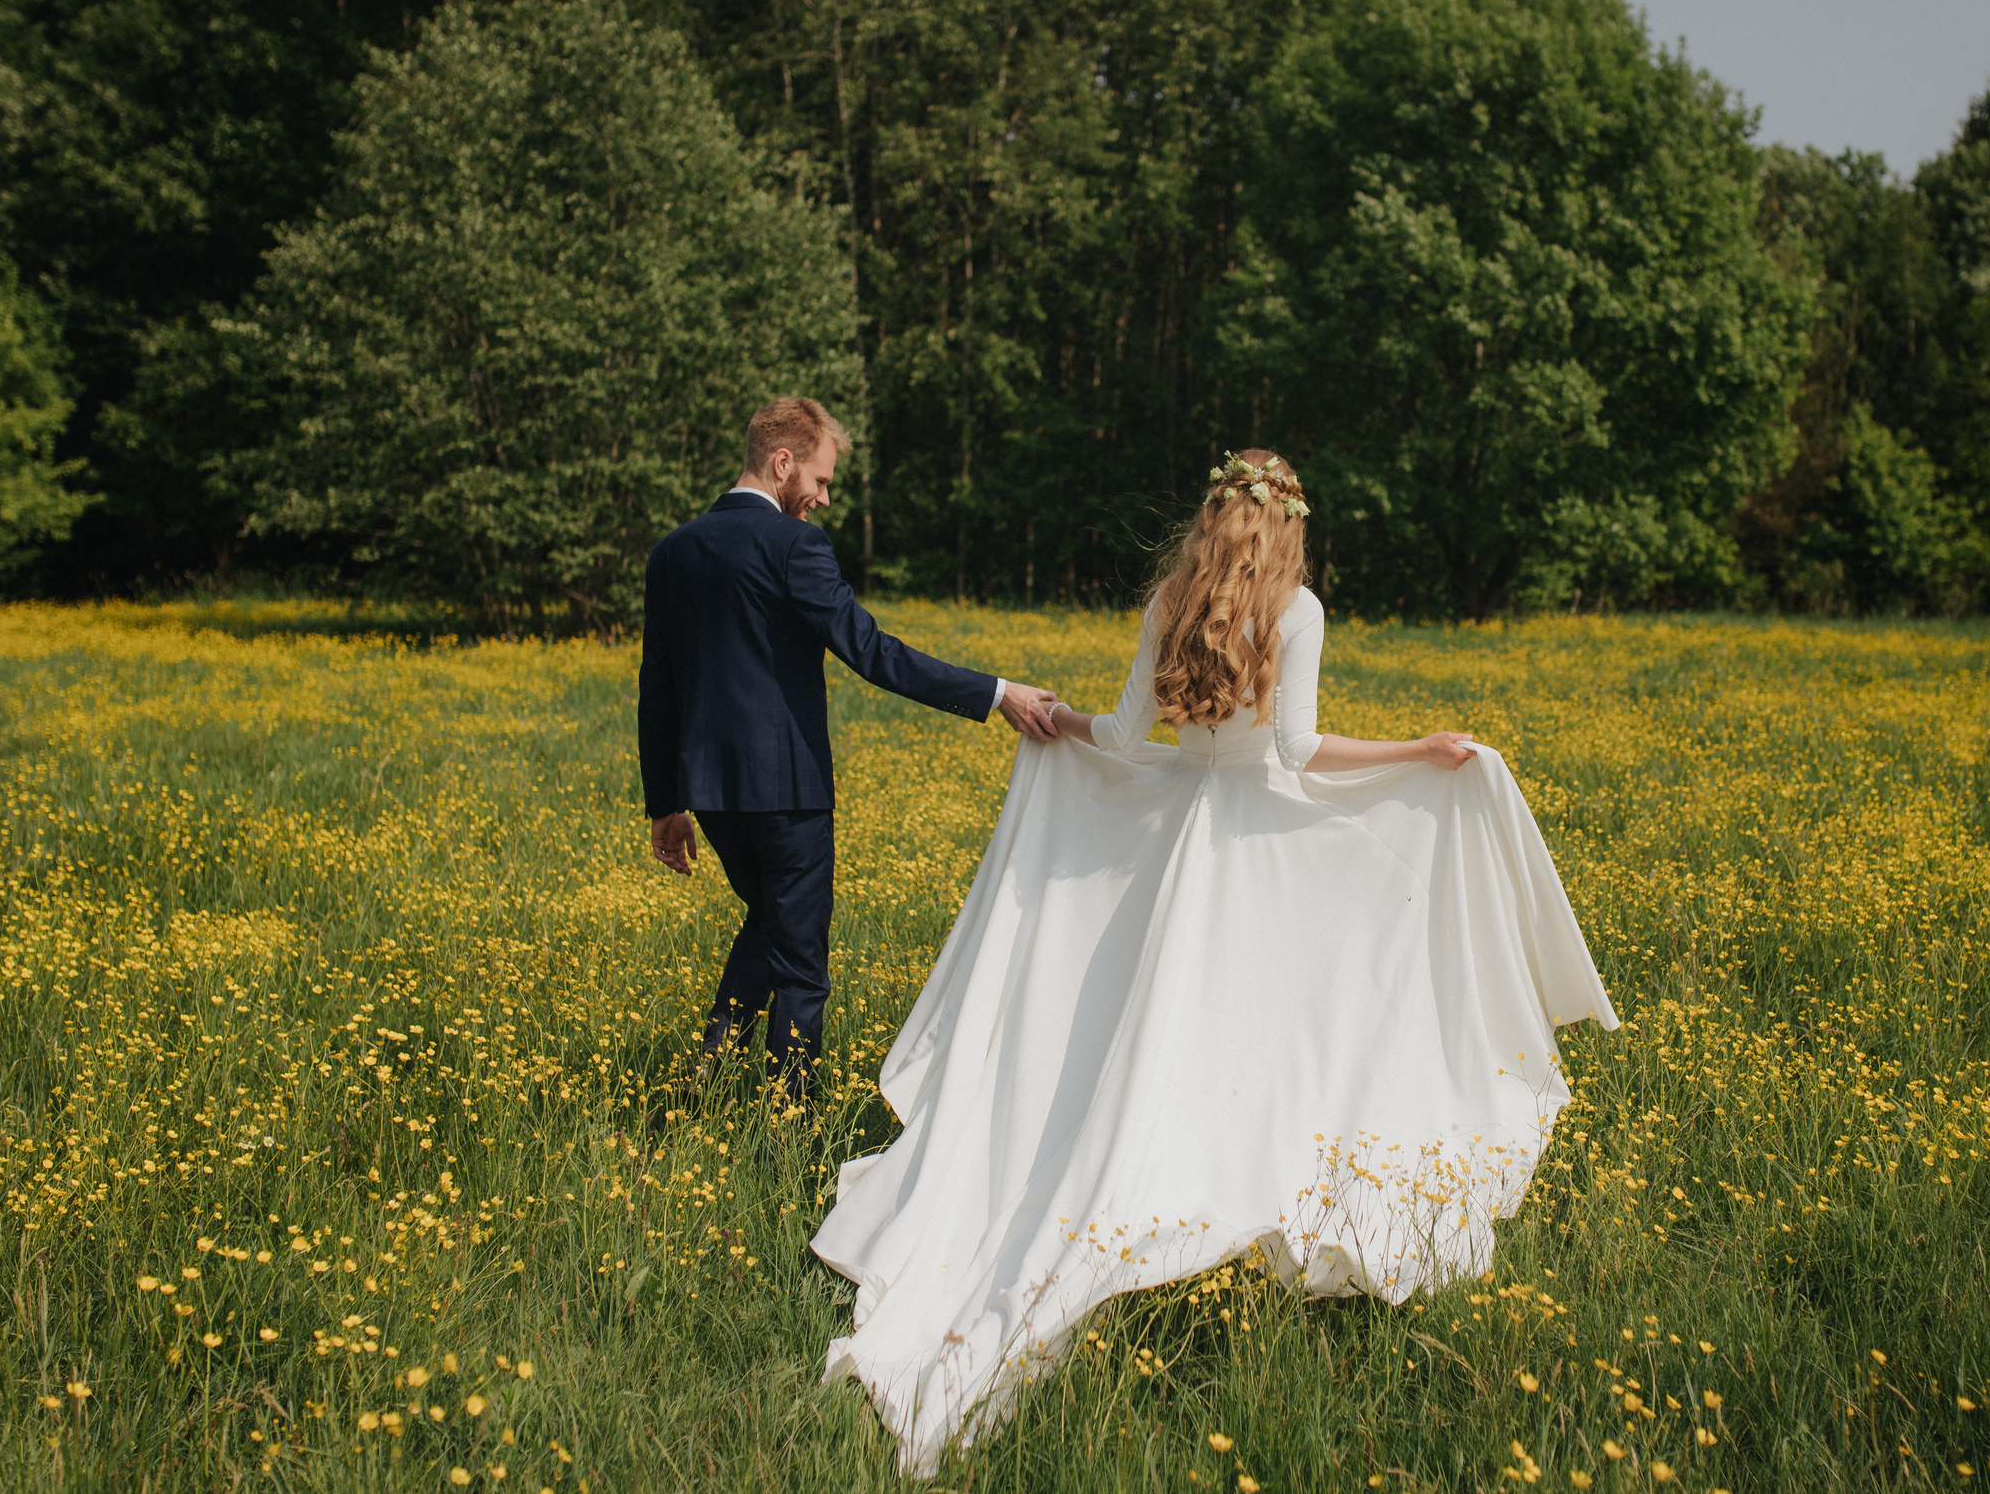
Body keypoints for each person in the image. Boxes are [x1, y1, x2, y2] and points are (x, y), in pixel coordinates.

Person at [810, 449, 1621, 1475]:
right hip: (1252, 846)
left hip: (1171, 836)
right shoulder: (1297, 610)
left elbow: (1119, 730)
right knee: (1267, 1033)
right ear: (1287, 526)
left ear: (1209, 518)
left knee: (1150, 1024)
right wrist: (1416, 751)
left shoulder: (1168, 599)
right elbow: (1293, 752)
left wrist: (1056, 724)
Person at [638, 396, 1064, 1102]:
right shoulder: (793, 545)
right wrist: (997, 693)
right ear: (782, 464)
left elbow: (658, 684)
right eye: (821, 479)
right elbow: (870, 651)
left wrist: (667, 802)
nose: (825, 498)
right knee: (802, 964)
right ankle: (789, 1130)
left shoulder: (673, 552)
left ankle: (706, 1076)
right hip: (790, 792)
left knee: (772, 919)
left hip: (711, 792)